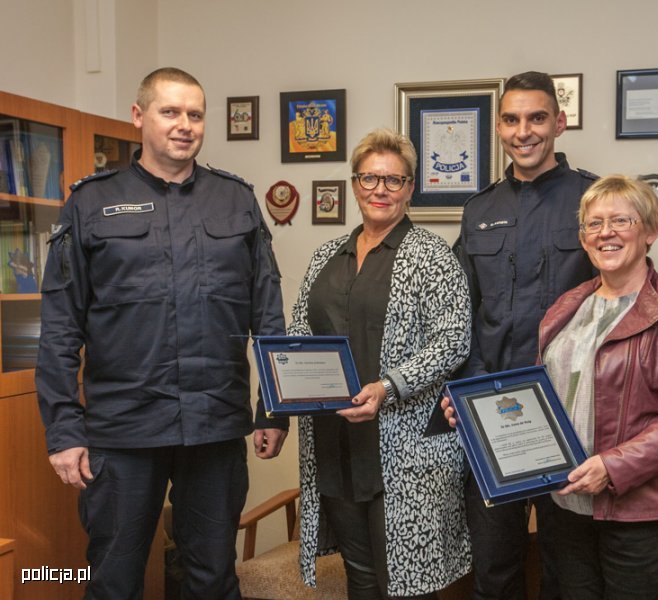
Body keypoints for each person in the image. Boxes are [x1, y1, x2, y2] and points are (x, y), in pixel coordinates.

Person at [35, 67, 287, 599]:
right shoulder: (91, 203)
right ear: (138, 116)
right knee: (112, 580)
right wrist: (64, 430)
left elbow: (268, 316)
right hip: (123, 431)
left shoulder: (236, 200)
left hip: (215, 426)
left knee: (213, 578)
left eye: (195, 114)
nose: (184, 125)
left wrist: (273, 410)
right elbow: (59, 328)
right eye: (170, 111)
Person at [288, 128, 471, 600]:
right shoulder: (327, 256)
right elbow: (299, 331)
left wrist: (388, 387)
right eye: (369, 178)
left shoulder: (432, 256)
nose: (380, 190)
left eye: (394, 180)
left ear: (410, 188)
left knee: (408, 583)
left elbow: (454, 340)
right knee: (361, 577)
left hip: (405, 450)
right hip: (335, 444)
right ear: (354, 184)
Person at [525, 175, 658, 599]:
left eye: (620, 221)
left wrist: (612, 467)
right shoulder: (567, 305)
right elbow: (539, 396)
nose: (605, 233)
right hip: (566, 504)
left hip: (640, 513)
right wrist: (479, 417)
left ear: (651, 232)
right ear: (583, 239)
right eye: (594, 224)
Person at [452, 70, 598, 600]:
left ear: (559, 122)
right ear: (498, 127)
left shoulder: (592, 199)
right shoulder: (479, 209)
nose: (524, 131)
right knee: (494, 570)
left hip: (572, 417)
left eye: (537, 118)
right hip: (494, 415)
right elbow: (462, 312)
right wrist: (466, 391)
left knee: (571, 573)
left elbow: (619, 302)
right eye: (511, 120)